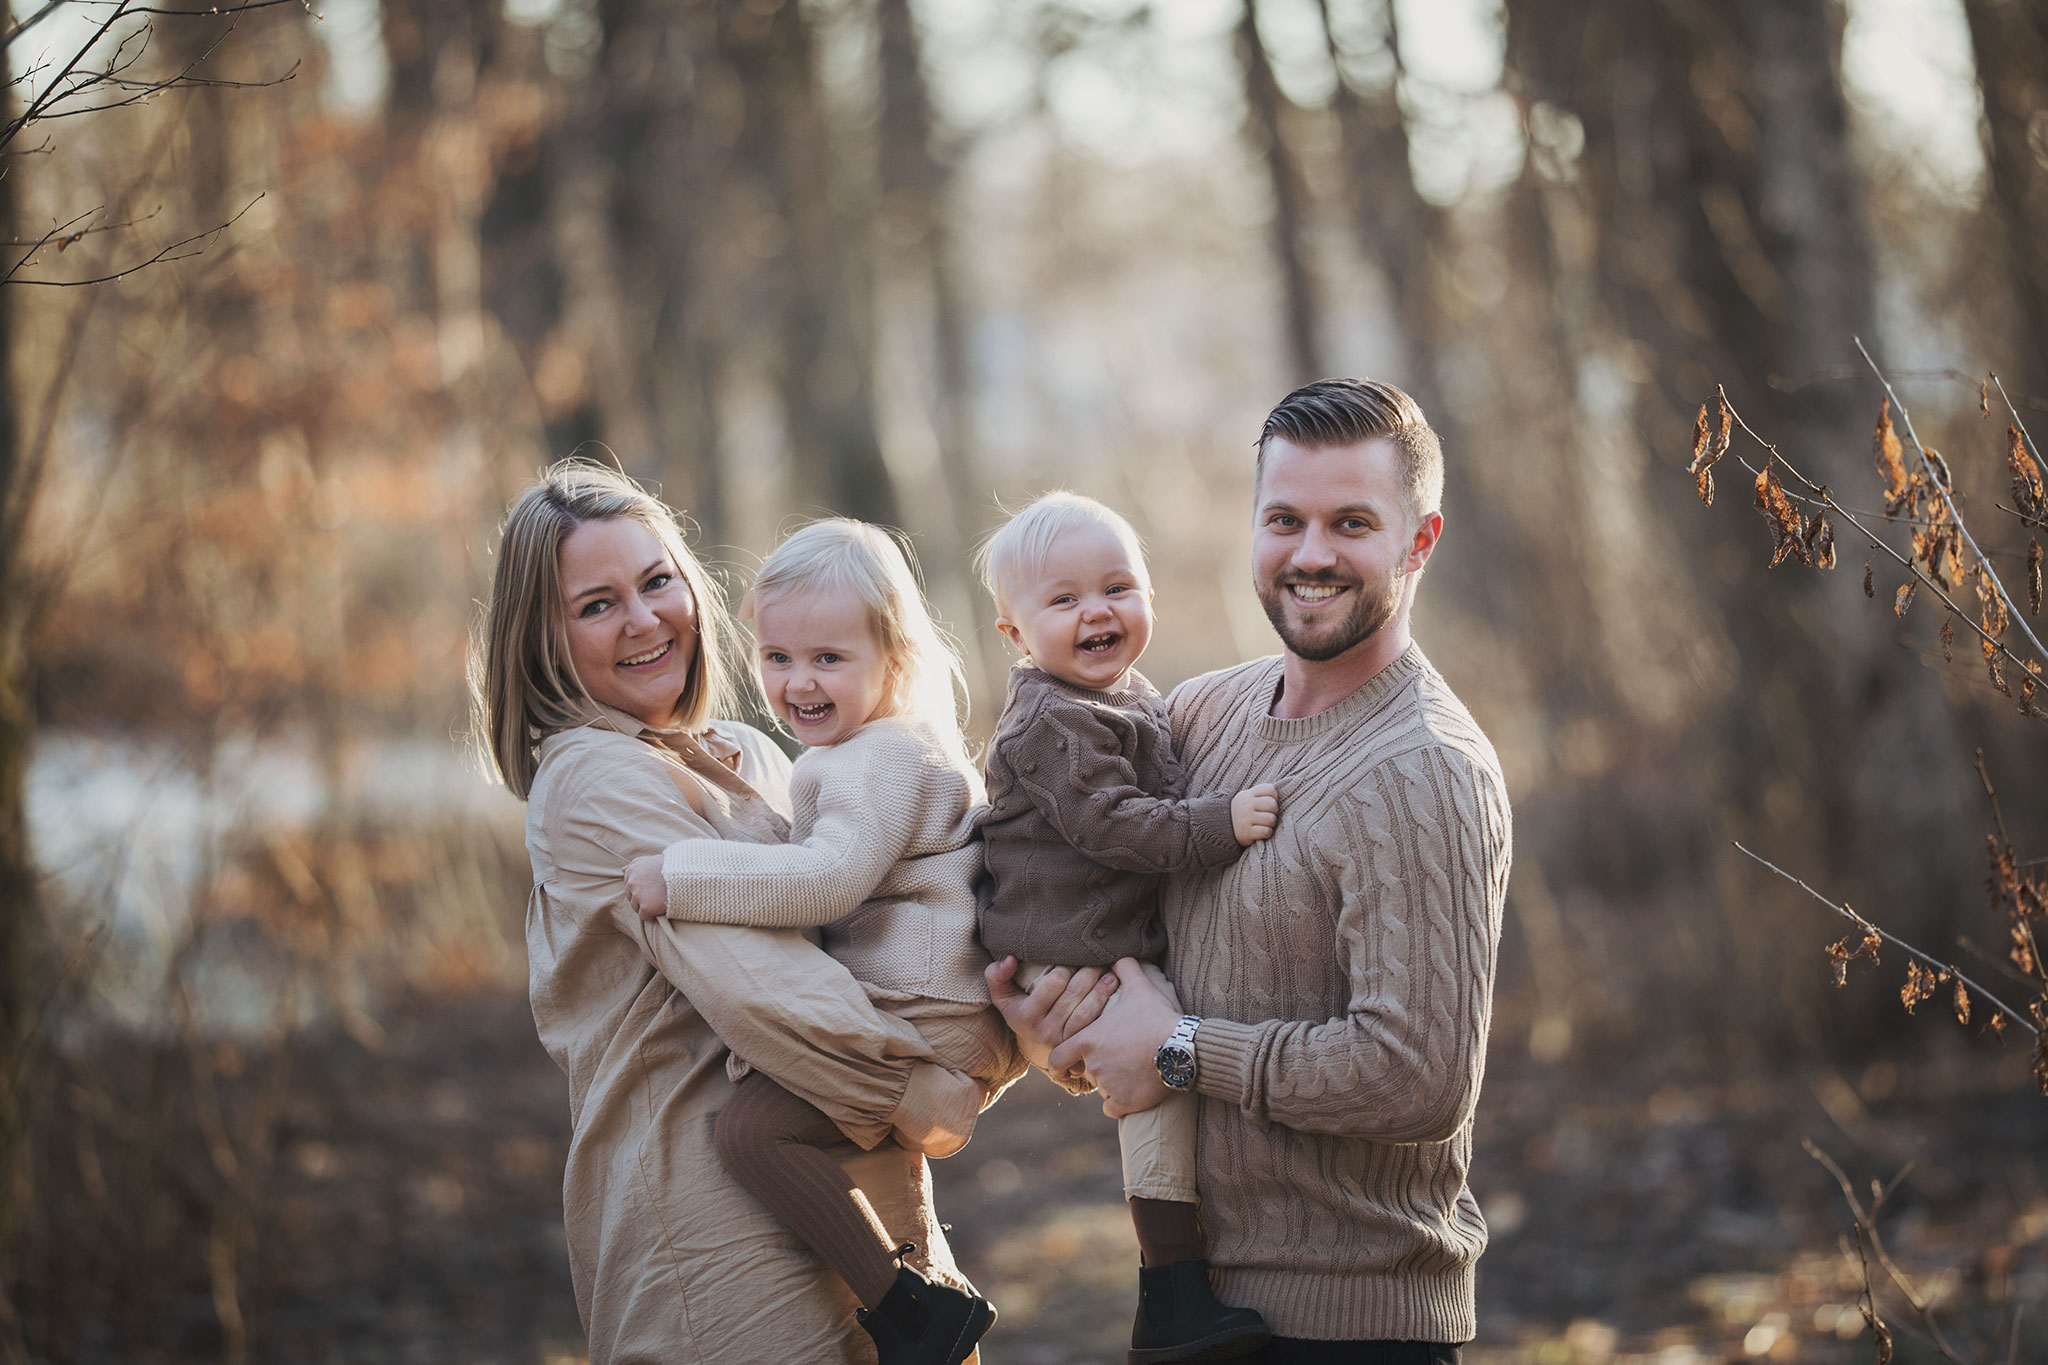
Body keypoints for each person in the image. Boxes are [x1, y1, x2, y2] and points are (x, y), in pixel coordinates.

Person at [992, 380, 1513, 1365]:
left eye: (1349, 523)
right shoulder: (1195, 714)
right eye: (1285, 519)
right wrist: (1055, 1025)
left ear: (1419, 540)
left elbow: (1416, 1077)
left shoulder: (1421, 773)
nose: (1309, 553)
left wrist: (1176, 1047)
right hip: (1190, 1303)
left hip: (1349, 1329)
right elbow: (1127, 942)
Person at [477, 460, 989, 1365]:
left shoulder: (756, 752)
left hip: (868, 1200)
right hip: (720, 1224)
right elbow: (760, 980)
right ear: (544, 637)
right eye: (597, 604)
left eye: (657, 581)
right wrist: (915, 1085)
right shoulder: (592, 777)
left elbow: (884, 914)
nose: (644, 620)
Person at [619, 519, 1024, 1365]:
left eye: (829, 659)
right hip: (926, 1002)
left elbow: (825, 879)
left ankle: (911, 1315)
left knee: (751, 1134)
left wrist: (683, 875)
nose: (798, 682)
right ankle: (909, 1300)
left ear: (895, 659)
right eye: (777, 657)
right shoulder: (878, 748)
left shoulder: (876, 760)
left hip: (926, 1010)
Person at [972, 492, 1278, 1363]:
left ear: (1151, 597)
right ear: (1014, 634)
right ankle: (1171, 1291)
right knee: (1155, 1089)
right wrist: (1223, 822)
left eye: (1117, 587)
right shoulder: (1052, 719)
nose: (1097, 611)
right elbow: (1115, 824)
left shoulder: (1129, 693)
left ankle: (1178, 1279)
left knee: (1164, 1073)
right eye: (1063, 600)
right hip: (1063, 951)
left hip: (1094, 937)